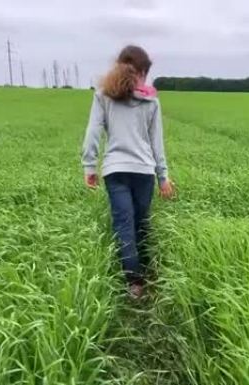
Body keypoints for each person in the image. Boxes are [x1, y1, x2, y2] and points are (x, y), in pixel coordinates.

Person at [81, 45, 175, 299]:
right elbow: (157, 143)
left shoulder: (103, 95)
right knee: (140, 222)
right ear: (141, 72)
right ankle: (144, 270)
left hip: (115, 170)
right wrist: (163, 176)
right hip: (144, 171)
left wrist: (90, 166)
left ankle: (134, 283)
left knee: (124, 223)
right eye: (145, 73)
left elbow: (92, 132)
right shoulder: (151, 100)